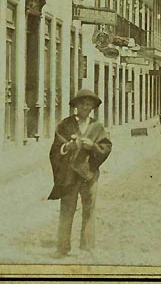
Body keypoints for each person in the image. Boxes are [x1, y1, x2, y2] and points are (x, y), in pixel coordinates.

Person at [48, 89, 112, 258]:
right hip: (70, 174)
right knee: (67, 209)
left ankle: (87, 246)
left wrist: (93, 147)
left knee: (89, 209)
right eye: (82, 103)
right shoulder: (65, 124)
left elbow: (106, 148)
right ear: (75, 105)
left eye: (89, 104)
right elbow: (55, 149)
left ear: (92, 107)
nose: (85, 106)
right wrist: (66, 147)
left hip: (89, 175)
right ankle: (62, 247)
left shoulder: (97, 126)